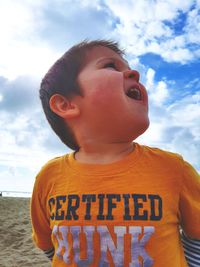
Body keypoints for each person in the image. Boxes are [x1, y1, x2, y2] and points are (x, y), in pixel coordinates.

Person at [31, 40, 200, 267]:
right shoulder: (49, 177)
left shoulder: (174, 169)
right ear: (66, 105)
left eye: (127, 66)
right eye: (111, 66)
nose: (134, 72)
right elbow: (48, 244)